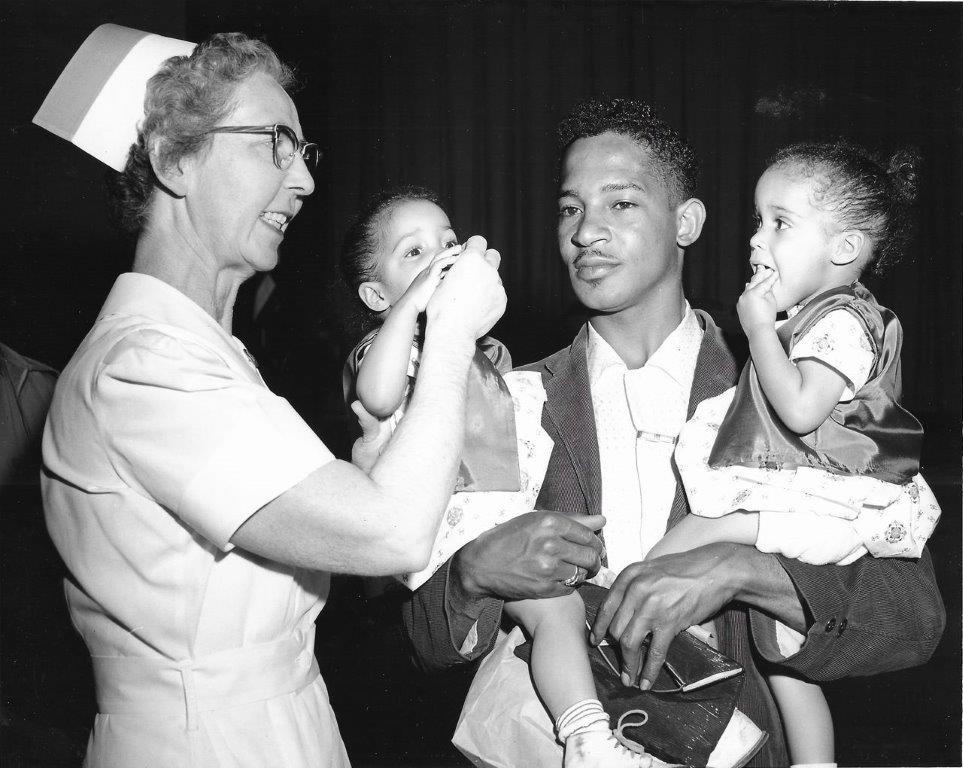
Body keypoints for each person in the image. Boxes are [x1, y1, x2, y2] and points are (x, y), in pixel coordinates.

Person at [400, 97, 946, 767]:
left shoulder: (791, 385)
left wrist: (743, 570)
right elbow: (423, 635)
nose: (585, 233)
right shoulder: (503, 401)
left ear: (685, 222)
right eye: (570, 209)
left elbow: (914, 621)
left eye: (620, 204)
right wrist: (472, 576)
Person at [36, 26, 505, 767]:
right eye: (271, 142)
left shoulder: (207, 356)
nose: (305, 181)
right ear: (173, 160)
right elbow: (388, 533)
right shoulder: (144, 368)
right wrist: (446, 332)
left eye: (304, 152)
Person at [340, 187, 688, 767]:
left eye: (449, 243)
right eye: (415, 253)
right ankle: (586, 737)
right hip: (447, 523)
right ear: (377, 294)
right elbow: (377, 396)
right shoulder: (383, 346)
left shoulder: (489, 356)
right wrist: (422, 306)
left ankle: (589, 733)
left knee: (562, 613)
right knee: (555, 610)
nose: (442, 259)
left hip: (493, 510)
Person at [646, 140, 942, 767]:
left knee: (684, 543)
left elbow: (803, 410)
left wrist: (757, 327)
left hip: (830, 494)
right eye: (758, 221)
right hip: (814, 493)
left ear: (843, 249)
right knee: (782, 659)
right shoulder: (817, 317)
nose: (757, 241)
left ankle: (619, 612)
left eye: (779, 223)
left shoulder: (842, 321)